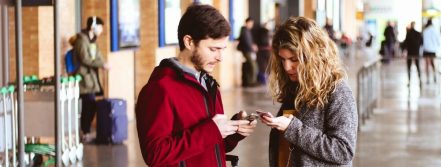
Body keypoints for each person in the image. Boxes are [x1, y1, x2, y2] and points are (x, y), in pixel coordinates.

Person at [135, 4, 257, 167]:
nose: (220, 57)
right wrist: (213, 130)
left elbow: (211, 145)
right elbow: (155, 155)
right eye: (213, 49)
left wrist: (234, 130)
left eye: (222, 49)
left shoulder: (209, 84)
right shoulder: (159, 89)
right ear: (189, 42)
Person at [260, 17, 358, 167]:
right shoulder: (296, 86)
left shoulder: (338, 92)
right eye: (282, 59)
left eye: (294, 59)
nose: (286, 67)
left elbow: (343, 151)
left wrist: (292, 128)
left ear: (313, 57)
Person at [73, 16, 110, 142]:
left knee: (91, 105)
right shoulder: (81, 41)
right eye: (99, 27)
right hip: (83, 78)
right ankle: (85, 132)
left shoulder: (92, 41)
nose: (101, 30)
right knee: (89, 105)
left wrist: (104, 63)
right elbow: (84, 58)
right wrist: (101, 64)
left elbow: (98, 56)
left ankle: (85, 131)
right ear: (92, 27)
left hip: (91, 78)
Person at [237, 17, 259, 87]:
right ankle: (251, 82)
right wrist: (252, 47)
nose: (251, 25)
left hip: (249, 50)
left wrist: (253, 45)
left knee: (250, 66)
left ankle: (250, 81)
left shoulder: (247, 31)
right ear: (247, 22)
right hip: (247, 51)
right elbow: (246, 42)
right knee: (253, 66)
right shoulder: (244, 30)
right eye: (251, 23)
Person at [402, 21, 423, 86]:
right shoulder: (418, 34)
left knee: (409, 67)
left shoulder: (409, 34)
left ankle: (409, 81)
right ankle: (420, 80)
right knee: (417, 66)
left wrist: (403, 50)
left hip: (410, 53)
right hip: (416, 53)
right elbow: (421, 43)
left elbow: (405, 44)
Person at [422, 19, 441, 84]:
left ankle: (428, 78)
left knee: (427, 64)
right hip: (432, 50)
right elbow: (438, 41)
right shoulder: (435, 30)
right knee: (433, 63)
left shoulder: (425, 31)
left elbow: (423, 41)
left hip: (426, 50)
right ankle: (434, 76)